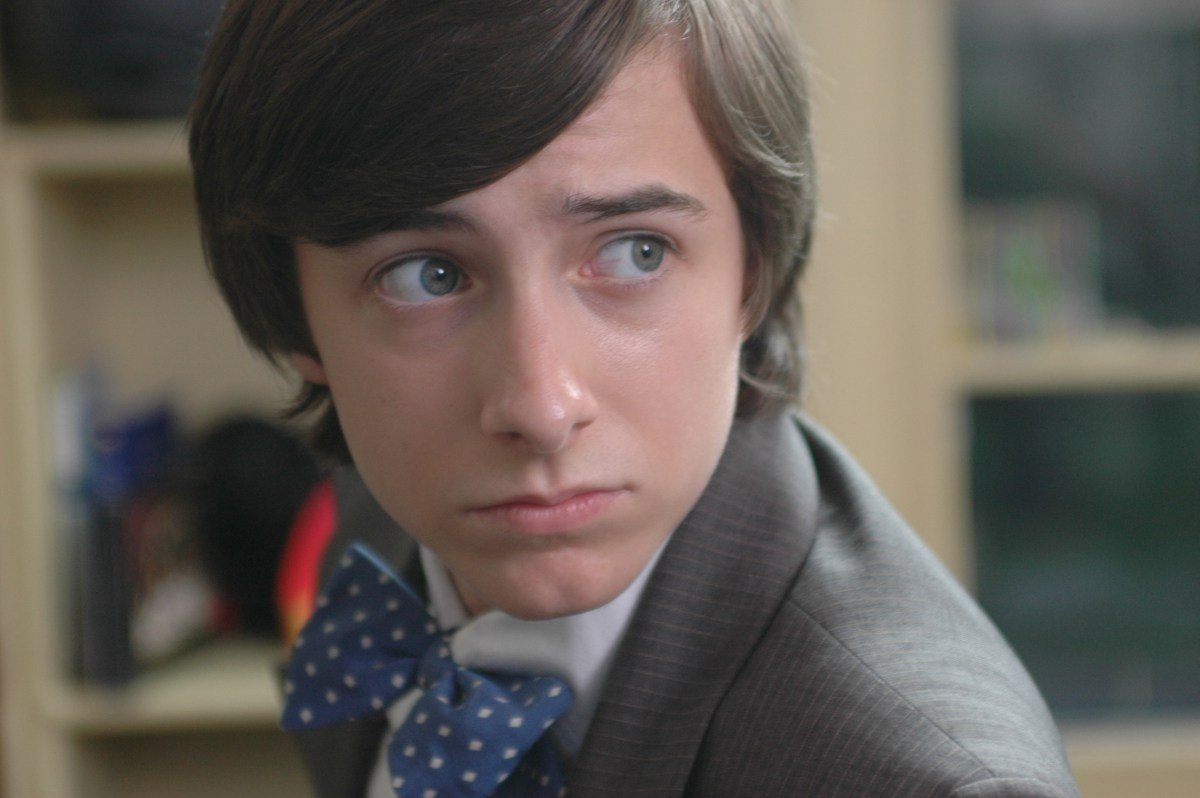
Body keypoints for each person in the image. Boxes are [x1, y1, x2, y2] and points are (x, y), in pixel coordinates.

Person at [188, 1, 1081, 796]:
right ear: (297, 318)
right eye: (426, 276)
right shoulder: (379, 519)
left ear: (753, 271)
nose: (541, 408)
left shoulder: (932, 780)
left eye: (633, 252)